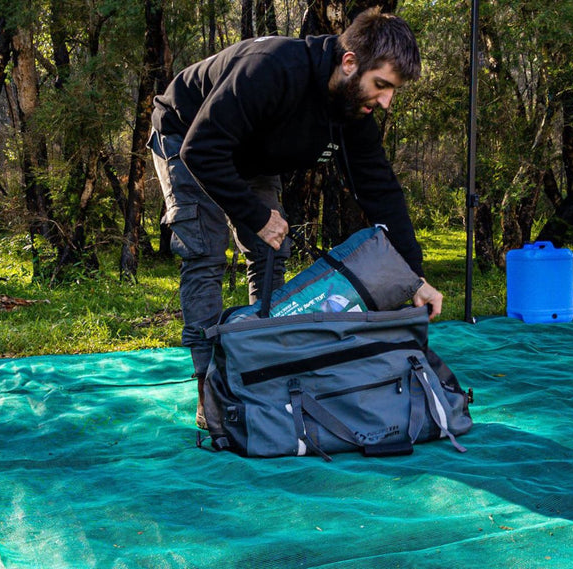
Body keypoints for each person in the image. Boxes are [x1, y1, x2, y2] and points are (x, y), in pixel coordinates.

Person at [149, 8, 444, 429]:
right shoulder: (271, 68)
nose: (385, 101)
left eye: (392, 91)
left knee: (272, 249)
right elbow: (203, 151)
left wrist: (414, 275)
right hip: (188, 135)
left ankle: (263, 367)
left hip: (253, 153)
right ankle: (212, 392)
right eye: (381, 85)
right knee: (206, 254)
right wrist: (254, 214)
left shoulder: (353, 111)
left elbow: (380, 190)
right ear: (349, 63)